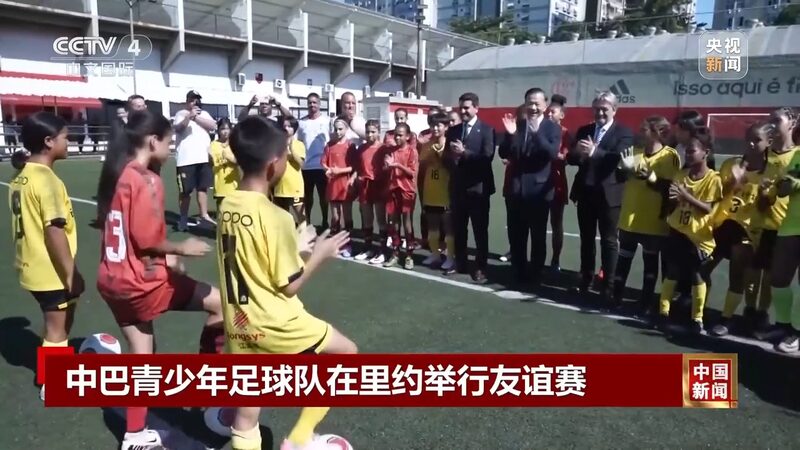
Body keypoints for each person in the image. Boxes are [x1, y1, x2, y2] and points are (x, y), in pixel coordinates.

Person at [217, 115, 356, 450]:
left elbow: (252, 251)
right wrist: (319, 254)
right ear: (273, 165)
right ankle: (298, 439)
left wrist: (295, 244)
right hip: (276, 322)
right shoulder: (276, 215)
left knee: (247, 414)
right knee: (347, 353)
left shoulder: (227, 205)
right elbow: (289, 285)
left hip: (239, 320)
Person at [95, 110, 225, 450]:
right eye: (170, 142)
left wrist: (170, 260)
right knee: (222, 305)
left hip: (112, 281)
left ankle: (135, 434)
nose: (171, 149)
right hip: (141, 283)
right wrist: (182, 248)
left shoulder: (119, 174)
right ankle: (208, 389)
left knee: (143, 356)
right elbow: (147, 239)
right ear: (153, 141)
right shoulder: (147, 179)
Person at [9, 112, 84, 402]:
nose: (69, 141)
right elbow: (54, 232)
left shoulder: (21, 175)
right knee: (58, 328)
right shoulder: (48, 180)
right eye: (65, 137)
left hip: (30, 266)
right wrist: (71, 274)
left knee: (57, 324)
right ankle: (52, 383)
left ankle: (50, 371)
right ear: (49, 141)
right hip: (49, 270)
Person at [567, 91, 634, 298]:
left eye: (604, 109)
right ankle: (585, 279)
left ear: (614, 109)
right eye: (596, 109)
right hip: (586, 193)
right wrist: (577, 153)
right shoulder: (584, 130)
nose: (600, 113)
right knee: (586, 240)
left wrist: (595, 152)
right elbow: (572, 159)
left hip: (610, 195)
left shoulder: (624, 132)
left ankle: (608, 286)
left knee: (609, 241)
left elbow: (618, 159)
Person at [706, 122, 770, 336]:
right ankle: (697, 309)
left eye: (757, 140)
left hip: (746, 231)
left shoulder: (769, 172)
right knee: (702, 267)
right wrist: (732, 182)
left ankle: (726, 318)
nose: (751, 143)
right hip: (722, 225)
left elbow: (764, 207)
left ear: (768, 142)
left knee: (737, 276)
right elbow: (718, 195)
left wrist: (763, 193)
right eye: (749, 139)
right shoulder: (731, 165)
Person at [655, 132, 722, 334]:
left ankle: (697, 318)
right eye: (686, 151)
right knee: (672, 271)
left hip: (698, 237)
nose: (688, 155)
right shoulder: (681, 175)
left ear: (705, 153)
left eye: (692, 151)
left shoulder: (713, 179)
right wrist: (674, 199)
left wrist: (686, 195)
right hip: (677, 231)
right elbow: (673, 202)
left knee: (697, 276)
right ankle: (663, 313)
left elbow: (707, 209)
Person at [612, 116, 680, 315]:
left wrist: (651, 177)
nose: (640, 133)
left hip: (653, 221)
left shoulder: (670, 156)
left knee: (650, 263)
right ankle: (615, 297)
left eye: (644, 129)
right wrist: (622, 168)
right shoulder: (634, 152)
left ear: (658, 132)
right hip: (629, 218)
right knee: (623, 259)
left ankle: (646, 303)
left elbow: (671, 188)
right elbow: (618, 178)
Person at [498, 87, 561, 286]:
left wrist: (537, 135)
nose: (533, 107)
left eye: (537, 103)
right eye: (529, 103)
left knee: (538, 236)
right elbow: (505, 154)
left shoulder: (552, 128)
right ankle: (517, 272)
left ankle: (535, 274)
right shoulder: (518, 125)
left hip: (539, 191)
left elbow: (551, 154)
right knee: (517, 235)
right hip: (516, 189)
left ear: (545, 105)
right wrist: (510, 136)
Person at [749, 107, 798, 340]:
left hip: (788, 225)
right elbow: (766, 198)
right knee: (771, 277)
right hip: (769, 226)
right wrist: (765, 194)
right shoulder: (764, 155)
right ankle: (776, 322)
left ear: (792, 123)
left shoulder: (796, 155)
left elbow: (787, 187)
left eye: (777, 120)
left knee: (779, 279)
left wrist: (782, 185)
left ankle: (788, 328)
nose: (772, 124)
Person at [445, 92, 496, 283]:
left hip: (478, 189)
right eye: (461, 107)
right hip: (458, 188)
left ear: (476, 108)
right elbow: (446, 157)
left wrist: (463, 153)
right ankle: (461, 263)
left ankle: (481, 267)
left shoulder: (487, 130)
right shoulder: (454, 130)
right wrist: (453, 159)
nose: (463, 111)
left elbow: (487, 158)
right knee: (459, 228)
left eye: (467, 107)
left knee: (480, 230)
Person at [173, 90, 217, 231]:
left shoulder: (204, 114)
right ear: (187, 101)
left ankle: (204, 216)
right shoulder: (181, 114)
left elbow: (213, 126)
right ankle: (183, 219)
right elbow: (178, 128)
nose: (195, 102)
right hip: (186, 160)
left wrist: (196, 118)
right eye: (192, 100)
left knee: (202, 189)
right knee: (185, 191)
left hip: (203, 158)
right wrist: (189, 117)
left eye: (197, 100)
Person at [772, 136, 800, 353]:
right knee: (779, 278)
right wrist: (788, 182)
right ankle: (783, 325)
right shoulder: (798, 155)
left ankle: (797, 333)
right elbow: (784, 190)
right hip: (791, 225)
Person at [419, 112, 455, 271]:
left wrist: (440, 151)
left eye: (439, 125)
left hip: (445, 191)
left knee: (448, 227)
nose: (435, 128)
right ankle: (434, 253)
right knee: (432, 225)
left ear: (446, 127)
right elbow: (422, 159)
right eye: (433, 125)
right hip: (430, 189)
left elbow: (451, 164)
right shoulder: (427, 144)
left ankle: (450, 256)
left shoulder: (450, 144)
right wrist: (430, 149)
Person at [383, 123, 419, 269]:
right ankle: (395, 253)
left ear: (408, 136)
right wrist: (387, 165)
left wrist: (396, 165)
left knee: (407, 223)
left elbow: (412, 173)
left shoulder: (412, 151)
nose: (397, 137)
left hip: (407, 190)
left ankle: (409, 255)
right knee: (394, 222)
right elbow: (385, 168)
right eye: (395, 134)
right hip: (393, 189)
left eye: (400, 135)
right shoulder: (391, 151)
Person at [353, 119, 388, 263]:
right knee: (367, 219)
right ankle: (368, 248)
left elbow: (387, 168)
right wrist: (356, 178)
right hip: (364, 186)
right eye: (368, 132)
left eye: (373, 132)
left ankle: (383, 250)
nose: (370, 135)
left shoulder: (383, 148)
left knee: (381, 219)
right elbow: (358, 168)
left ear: (379, 132)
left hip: (379, 186)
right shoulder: (361, 148)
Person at [322, 118, 357, 257]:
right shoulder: (329, 145)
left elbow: (353, 166)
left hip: (345, 184)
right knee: (335, 216)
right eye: (335, 129)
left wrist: (339, 171)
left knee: (346, 214)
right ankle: (336, 243)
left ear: (346, 129)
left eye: (340, 129)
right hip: (333, 184)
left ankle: (348, 243)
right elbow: (324, 162)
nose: (337, 131)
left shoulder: (350, 146)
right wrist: (327, 170)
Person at [298, 93, 332, 229]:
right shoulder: (302, 122)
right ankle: (308, 222)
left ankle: (325, 221)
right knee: (307, 198)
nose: (312, 105)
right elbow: (299, 142)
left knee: (324, 197)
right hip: (306, 166)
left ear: (319, 104)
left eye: (314, 102)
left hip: (322, 166)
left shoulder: (327, 120)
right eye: (310, 103)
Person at [547, 95, 571, 271]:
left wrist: (555, 155)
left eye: (553, 112)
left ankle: (555, 259)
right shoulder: (539, 130)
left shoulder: (565, 133)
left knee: (556, 223)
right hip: (536, 183)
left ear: (561, 115)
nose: (549, 114)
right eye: (548, 111)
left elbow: (566, 157)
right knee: (534, 222)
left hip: (556, 184)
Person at [273, 115, 307, 226]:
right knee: (281, 219)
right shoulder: (277, 145)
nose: (286, 128)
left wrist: (291, 151)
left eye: (289, 126)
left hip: (294, 187)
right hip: (279, 188)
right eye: (284, 126)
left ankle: (307, 238)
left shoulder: (298, 144)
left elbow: (301, 164)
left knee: (301, 216)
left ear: (294, 129)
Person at [209, 118, 239, 212]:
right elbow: (211, 164)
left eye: (227, 129)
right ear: (218, 130)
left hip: (234, 184)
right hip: (220, 183)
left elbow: (241, 162)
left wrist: (231, 159)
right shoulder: (213, 145)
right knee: (221, 211)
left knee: (234, 211)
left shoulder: (236, 144)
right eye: (222, 129)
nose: (225, 132)